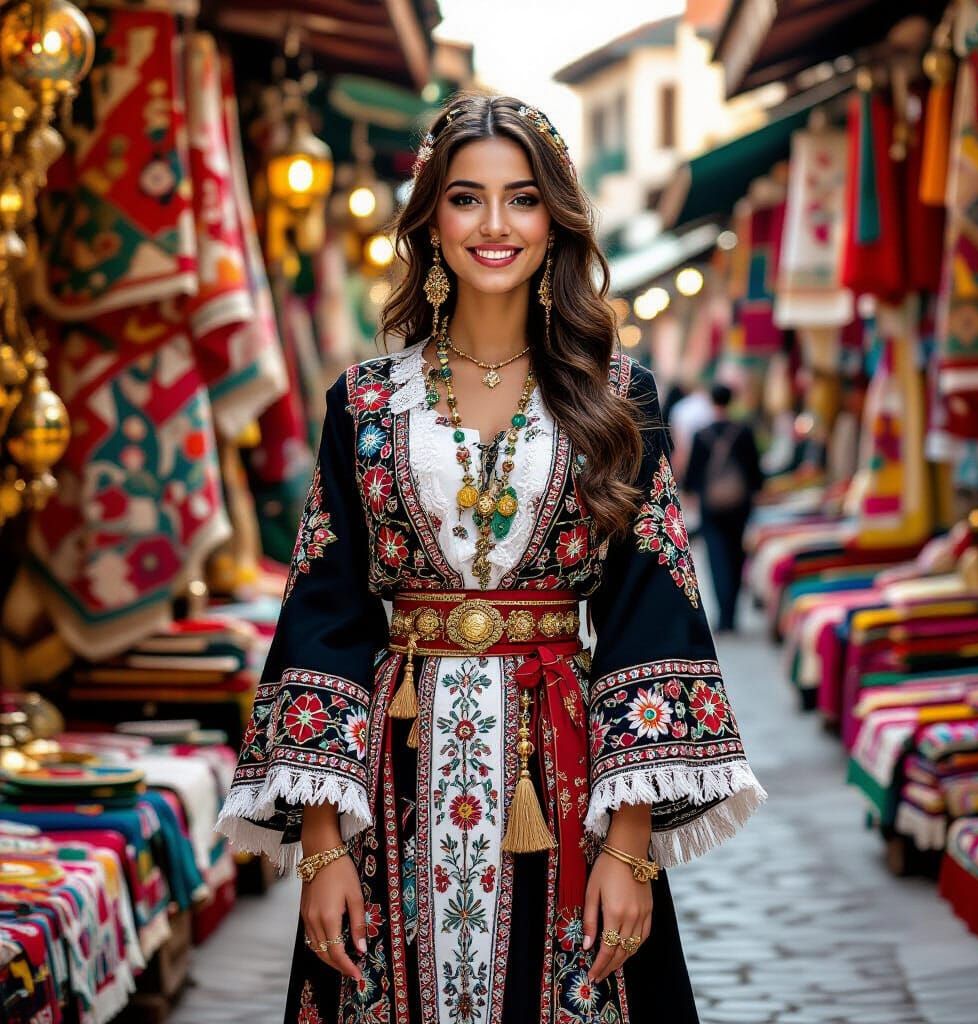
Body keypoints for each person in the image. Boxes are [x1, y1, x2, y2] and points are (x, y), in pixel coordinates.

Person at [215, 93, 764, 1024]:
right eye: (467, 199)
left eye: (523, 199)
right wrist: (321, 846)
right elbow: (325, 617)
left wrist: (629, 851)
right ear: (431, 218)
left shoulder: (617, 402)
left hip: (564, 784)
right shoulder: (365, 404)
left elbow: (649, 612)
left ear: (555, 221)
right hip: (393, 774)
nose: (496, 225)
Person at [683, 383, 764, 634]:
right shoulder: (744, 432)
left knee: (716, 558)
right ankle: (732, 613)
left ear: (711, 401)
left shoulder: (701, 434)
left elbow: (692, 475)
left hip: (711, 506)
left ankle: (722, 617)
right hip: (739, 506)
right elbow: (755, 472)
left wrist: (692, 495)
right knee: (736, 556)